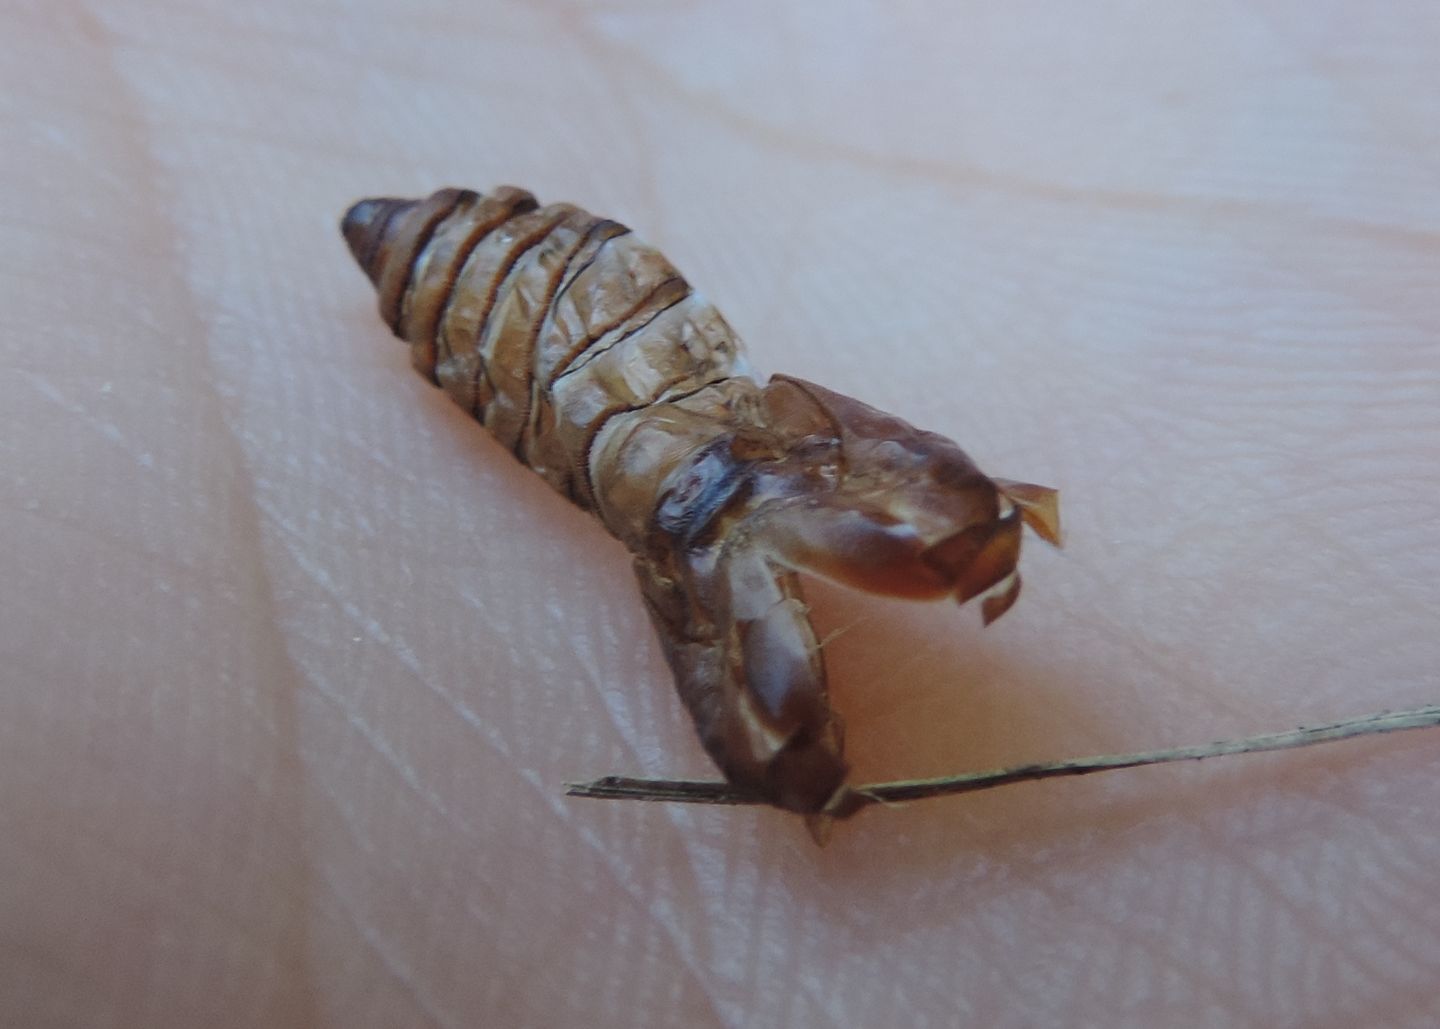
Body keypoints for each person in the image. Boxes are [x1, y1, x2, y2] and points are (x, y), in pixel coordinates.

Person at [4, 2, 1437, 1025]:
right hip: (576, 356)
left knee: (725, 512)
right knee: (720, 517)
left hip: (623, 370)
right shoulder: (730, 481)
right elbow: (800, 681)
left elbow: (823, 649)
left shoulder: (741, 466)